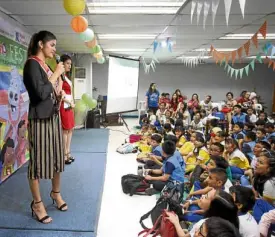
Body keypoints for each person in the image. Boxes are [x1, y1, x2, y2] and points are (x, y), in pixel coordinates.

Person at [23, 31, 67, 224]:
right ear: (41, 44)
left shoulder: (46, 66)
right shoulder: (32, 64)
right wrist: (56, 74)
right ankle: (37, 204)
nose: (54, 49)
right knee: (38, 163)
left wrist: (58, 95)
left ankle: (55, 193)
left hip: (53, 118)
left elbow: (49, 92)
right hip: (39, 120)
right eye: (52, 45)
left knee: (58, 158)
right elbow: (39, 94)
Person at [59, 54, 75, 164]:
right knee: (65, 130)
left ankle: (68, 152)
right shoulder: (60, 77)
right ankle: (64, 155)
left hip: (69, 106)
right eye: (67, 63)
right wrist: (69, 102)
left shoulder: (67, 77)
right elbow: (60, 93)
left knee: (70, 129)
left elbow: (70, 92)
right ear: (62, 64)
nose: (69, 65)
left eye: (70, 63)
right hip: (63, 106)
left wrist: (72, 102)